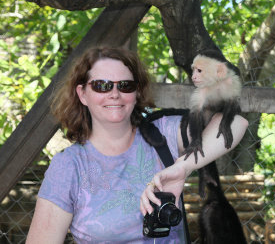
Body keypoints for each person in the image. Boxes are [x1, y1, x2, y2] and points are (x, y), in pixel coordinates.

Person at [26, 47, 248, 243]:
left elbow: (235, 122)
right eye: (101, 86)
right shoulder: (68, 166)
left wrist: (184, 166)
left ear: (137, 92)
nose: (114, 94)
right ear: (83, 94)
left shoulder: (163, 134)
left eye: (125, 85)